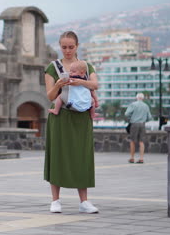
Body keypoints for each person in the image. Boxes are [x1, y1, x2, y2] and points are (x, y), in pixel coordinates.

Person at [44, 31, 99, 214]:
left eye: (71, 47)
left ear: (77, 46)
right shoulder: (52, 67)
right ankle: (55, 200)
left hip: (82, 117)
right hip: (61, 117)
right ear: (60, 47)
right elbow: (50, 96)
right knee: (57, 155)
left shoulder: (86, 66)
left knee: (82, 156)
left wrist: (78, 82)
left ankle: (84, 202)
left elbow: (95, 85)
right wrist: (60, 84)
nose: (67, 50)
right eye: (64, 47)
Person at [124, 93, 152, 164]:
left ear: (136, 98)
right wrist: (144, 120)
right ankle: (141, 158)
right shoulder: (146, 106)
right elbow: (149, 117)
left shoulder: (133, 104)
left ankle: (132, 158)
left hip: (134, 124)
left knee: (133, 141)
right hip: (142, 124)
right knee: (141, 142)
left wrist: (131, 119)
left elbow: (126, 114)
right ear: (142, 98)